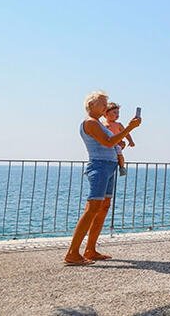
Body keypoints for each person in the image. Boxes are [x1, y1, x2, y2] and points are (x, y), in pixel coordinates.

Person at [64, 91, 141, 266]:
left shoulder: (99, 123)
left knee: (103, 207)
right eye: (102, 103)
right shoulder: (90, 122)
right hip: (99, 166)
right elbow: (107, 142)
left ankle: (90, 250)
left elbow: (110, 142)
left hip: (108, 166)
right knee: (93, 208)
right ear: (91, 105)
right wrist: (129, 128)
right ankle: (72, 253)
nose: (105, 106)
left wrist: (120, 142)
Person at [103, 102, 135, 176]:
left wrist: (130, 141)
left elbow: (126, 133)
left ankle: (122, 167)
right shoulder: (103, 124)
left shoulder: (118, 125)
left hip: (117, 144)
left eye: (118, 113)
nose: (117, 115)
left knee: (120, 155)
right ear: (106, 114)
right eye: (114, 112)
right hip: (107, 145)